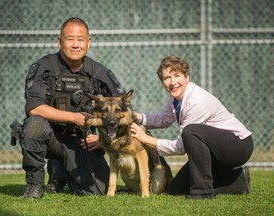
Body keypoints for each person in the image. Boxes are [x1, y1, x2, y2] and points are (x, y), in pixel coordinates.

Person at [20, 17, 125, 198]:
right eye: (69, 39)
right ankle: (34, 184)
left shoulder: (99, 72)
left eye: (80, 39)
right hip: (50, 138)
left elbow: (122, 109)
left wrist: (103, 140)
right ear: (60, 42)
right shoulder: (43, 67)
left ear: (88, 42)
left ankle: (61, 172)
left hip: (81, 142)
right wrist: (73, 117)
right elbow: (34, 108)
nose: (75, 45)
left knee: (98, 191)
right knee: (34, 124)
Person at [131, 56, 254, 199]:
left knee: (191, 132)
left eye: (177, 76)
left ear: (186, 77)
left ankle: (202, 192)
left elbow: (180, 147)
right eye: (167, 78)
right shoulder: (176, 97)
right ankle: (238, 181)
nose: (172, 82)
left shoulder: (196, 101)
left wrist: (144, 138)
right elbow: (164, 119)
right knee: (176, 190)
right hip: (215, 150)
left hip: (238, 146)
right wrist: (136, 117)